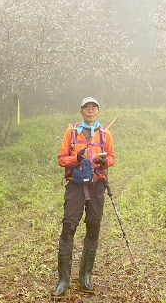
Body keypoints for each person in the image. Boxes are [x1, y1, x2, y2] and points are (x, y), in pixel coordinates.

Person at [51, 96, 115, 298]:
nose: (90, 110)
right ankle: (63, 281)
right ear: (81, 112)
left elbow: (111, 157)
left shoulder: (105, 133)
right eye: (86, 108)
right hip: (75, 187)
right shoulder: (71, 132)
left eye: (93, 107)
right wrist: (76, 158)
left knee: (93, 228)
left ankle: (85, 277)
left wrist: (102, 161)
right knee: (68, 228)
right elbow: (62, 159)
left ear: (98, 111)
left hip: (97, 186)